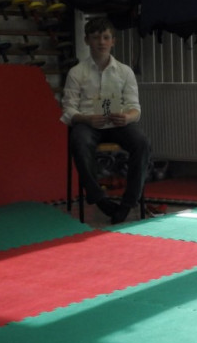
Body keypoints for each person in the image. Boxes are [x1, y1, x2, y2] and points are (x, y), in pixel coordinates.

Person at [61, 17, 151, 224]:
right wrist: (86, 119)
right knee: (79, 141)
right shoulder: (76, 73)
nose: (101, 42)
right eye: (95, 37)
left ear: (113, 41)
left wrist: (127, 117)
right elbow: (68, 109)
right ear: (87, 40)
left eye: (105, 37)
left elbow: (135, 108)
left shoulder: (125, 72)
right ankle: (99, 199)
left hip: (118, 123)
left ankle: (128, 203)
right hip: (88, 123)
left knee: (142, 142)